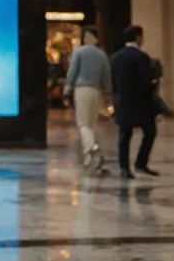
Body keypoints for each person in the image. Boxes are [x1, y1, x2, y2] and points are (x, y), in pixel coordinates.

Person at [110, 25, 160, 179]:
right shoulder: (141, 57)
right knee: (150, 131)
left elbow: (113, 80)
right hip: (141, 102)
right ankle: (141, 162)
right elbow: (145, 81)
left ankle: (124, 168)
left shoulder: (115, 57)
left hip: (123, 101)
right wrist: (154, 83)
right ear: (138, 37)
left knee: (124, 134)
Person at [63, 30, 112, 172]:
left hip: (82, 89)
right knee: (92, 124)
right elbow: (106, 74)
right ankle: (89, 159)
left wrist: (67, 91)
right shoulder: (101, 54)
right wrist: (108, 93)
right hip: (97, 90)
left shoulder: (79, 52)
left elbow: (72, 72)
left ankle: (93, 147)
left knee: (83, 124)